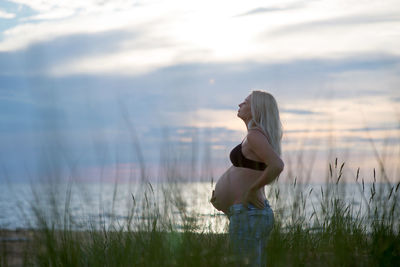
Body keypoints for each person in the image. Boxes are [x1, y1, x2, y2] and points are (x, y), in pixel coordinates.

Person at [210, 90, 284, 266]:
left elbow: (277, 165)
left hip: (250, 213)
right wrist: (223, 203)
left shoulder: (254, 136)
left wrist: (250, 192)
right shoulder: (256, 136)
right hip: (249, 213)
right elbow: (250, 174)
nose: (240, 104)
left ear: (256, 109)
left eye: (245, 102)